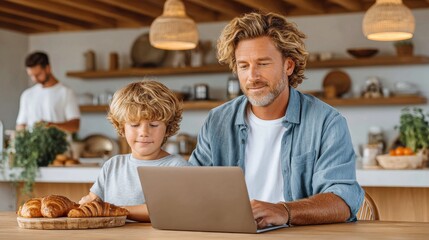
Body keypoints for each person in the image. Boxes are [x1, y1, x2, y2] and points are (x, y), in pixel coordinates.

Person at [189, 12, 364, 228]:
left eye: (262, 64)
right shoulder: (217, 121)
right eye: (243, 66)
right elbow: (192, 190)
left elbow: (343, 200)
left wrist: (284, 211)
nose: (252, 76)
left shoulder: (327, 122)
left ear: (288, 66)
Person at [79, 80, 190, 222]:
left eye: (154, 124)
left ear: (168, 128)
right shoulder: (112, 165)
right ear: (122, 127)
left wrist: (116, 211)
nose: (144, 132)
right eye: (135, 124)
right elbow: (92, 200)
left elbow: (168, 209)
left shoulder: (178, 168)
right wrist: (82, 205)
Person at [16, 51, 80, 133]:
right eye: (31, 75)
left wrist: (50, 126)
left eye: (38, 75)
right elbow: (21, 125)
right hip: (34, 145)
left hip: (59, 145)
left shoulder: (66, 92)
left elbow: (75, 125)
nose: (34, 79)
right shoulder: (27, 94)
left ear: (48, 68)